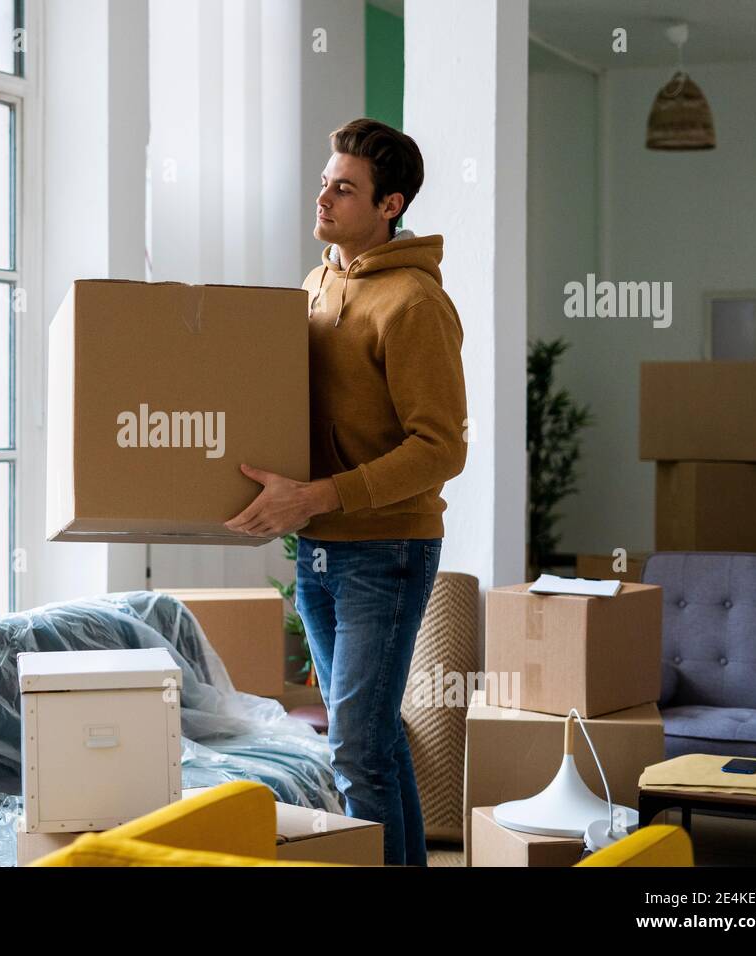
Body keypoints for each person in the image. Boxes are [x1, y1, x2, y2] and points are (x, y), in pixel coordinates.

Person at [224, 117, 469, 865]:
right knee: (375, 740)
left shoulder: (414, 304)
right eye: (326, 182)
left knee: (354, 751)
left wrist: (318, 497)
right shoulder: (317, 282)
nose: (324, 197)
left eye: (345, 188)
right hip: (320, 549)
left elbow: (442, 448)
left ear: (390, 204)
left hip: (386, 551)